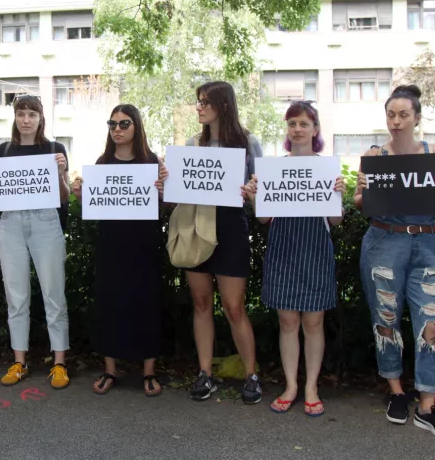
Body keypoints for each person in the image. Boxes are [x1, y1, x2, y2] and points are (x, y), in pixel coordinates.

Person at [354, 84, 435, 442]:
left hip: (427, 243)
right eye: (391, 114)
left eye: (403, 115)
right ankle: (397, 391)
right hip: (385, 240)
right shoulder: (374, 155)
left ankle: (427, 405)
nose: (396, 121)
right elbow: (359, 203)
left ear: (416, 117)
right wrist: (361, 190)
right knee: (385, 317)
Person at [243, 100, 344, 416]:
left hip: (315, 248)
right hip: (283, 248)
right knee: (287, 321)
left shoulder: (328, 168)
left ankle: (311, 386)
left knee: (314, 322)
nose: (298, 129)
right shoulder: (273, 168)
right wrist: (255, 198)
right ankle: (291, 385)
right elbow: (263, 220)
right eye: (292, 123)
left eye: (304, 123)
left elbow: (336, 221)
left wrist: (338, 192)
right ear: (287, 129)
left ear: (315, 130)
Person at [71, 104, 167, 397]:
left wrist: (165, 191)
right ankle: (109, 369)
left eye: (124, 124)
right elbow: (96, 206)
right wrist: (81, 195)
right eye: (112, 124)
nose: (117, 129)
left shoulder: (153, 162)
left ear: (137, 126)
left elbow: (165, 207)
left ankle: (149, 371)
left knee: (147, 303)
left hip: (145, 244)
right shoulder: (103, 162)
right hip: (111, 244)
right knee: (109, 302)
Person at [0, 95, 71, 389]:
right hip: (11, 224)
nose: (26, 119)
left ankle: (59, 363)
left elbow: (65, 198)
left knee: (54, 295)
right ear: (15, 118)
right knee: (16, 297)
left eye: (32, 114)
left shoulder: (55, 149)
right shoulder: (4, 150)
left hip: (45, 222)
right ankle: (19, 360)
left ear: (41, 118)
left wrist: (59, 172)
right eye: (21, 114)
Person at [180, 81, 264, 404]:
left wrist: (252, 192)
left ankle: (251, 375)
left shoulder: (248, 142)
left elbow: (261, 189)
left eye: (205, 102)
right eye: (198, 101)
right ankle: (205, 374)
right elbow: (181, 191)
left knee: (233, 306)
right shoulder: (192, 144)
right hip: (197, 226)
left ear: (224, 105)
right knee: (201, 303)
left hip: (231, 227)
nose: (199, 107)